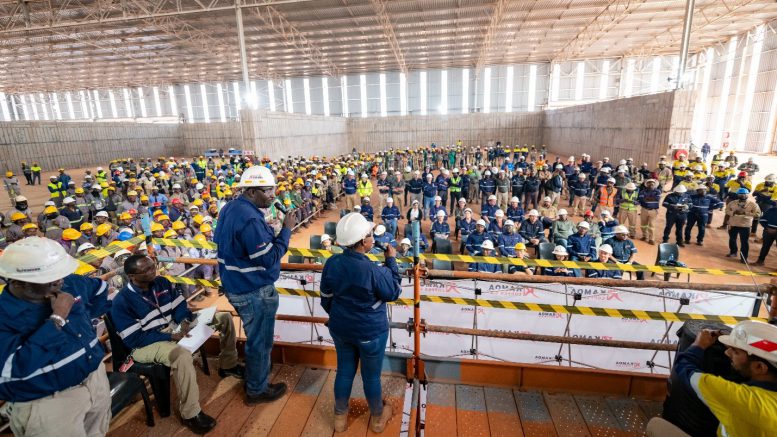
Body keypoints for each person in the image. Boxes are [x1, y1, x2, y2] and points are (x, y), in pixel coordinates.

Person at [110, 255, 243, 433]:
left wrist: (184, 321)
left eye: (153, 266)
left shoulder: (162, 282)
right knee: (181, 355)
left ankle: (228, 365)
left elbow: (179, 305)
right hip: (145, 343)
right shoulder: (122, 301)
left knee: (224, 318)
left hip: (175, 328)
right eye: (147, 270)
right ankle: (191, 413)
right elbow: (134, 338)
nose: (153, 271)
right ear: (132, 276)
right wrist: (170, 337)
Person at [0, 237, 111, 436]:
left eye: (61, 274)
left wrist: (85, 316)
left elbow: (100, 290)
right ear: (19, 283)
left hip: (95, 380)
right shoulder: (4, 315)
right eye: (51, 278)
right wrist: (57, 319)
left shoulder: (69, 284)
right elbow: (13, 368)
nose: (60, 281)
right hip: (49, 405)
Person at [214, 165, 296, 404]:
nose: (273, 195)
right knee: (260, 342)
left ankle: (256, 374)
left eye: (274, 189)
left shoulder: (231, 208)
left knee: (255, 337)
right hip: (253, 291)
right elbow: (268, 257)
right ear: (250, 192)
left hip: (235, 285)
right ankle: (256, 390)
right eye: (267, 190)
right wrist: (286, 231)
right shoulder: (250, 219)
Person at [320, 212, 401, 433]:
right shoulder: (373, 270)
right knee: (371, 377)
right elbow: (393, 292)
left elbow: (326, 298)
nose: (373, 238)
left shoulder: (332, 263)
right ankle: (376, 418)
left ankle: (339, 418)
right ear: (362, 241)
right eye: (370, 235)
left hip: (341, 328)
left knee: (345, 371)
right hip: (370, 333)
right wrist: (391, 261)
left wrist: (337, 315)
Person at [646, 321, 777, 437]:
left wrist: (698, 345)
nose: (727, 353)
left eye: (735, 352)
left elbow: (684, 368)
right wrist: (736, 346)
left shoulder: (738, 397)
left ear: (760, 367)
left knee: (655, 425)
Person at [725, 188, 760, 263]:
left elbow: (758, 214)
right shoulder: (732, 203)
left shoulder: (753, 204)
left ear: (747, 195)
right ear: (737, 195)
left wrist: (745, 213)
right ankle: (733, 252)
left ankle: (744, 257)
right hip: (733, 224)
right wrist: (733, 213)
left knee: (744, 242)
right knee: (732, 239)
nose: (743, 196)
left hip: (745, 226)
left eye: (745, 194)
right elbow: (726, 210)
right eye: (740, 194)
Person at [638, 179, 662, 244]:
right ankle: (644, 236)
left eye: (652, 183)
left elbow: (657, 199)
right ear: (647, 184)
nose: (651, 184)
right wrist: (651, 198)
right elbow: (641, 199)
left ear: (654, 184)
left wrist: (646, 198)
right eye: (649, 183)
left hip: (653, 211)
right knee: (643, 225)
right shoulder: (642, 191)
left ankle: (651, 239)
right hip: (644, 210)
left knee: (652, 225)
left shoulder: (658, 191)